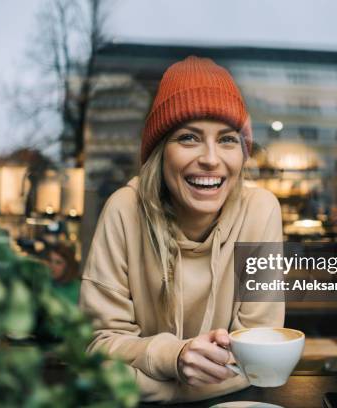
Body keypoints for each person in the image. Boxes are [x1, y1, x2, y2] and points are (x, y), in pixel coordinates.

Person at [79, 56, 285, 403]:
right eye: (189, 138)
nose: (210, 158)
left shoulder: (260, 211)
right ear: (160, 153)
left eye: (227, 140)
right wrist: (173, 357)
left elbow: (259, 357)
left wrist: (143, 379)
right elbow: (95, 348)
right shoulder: (124, 209)